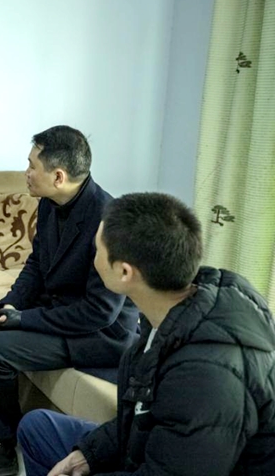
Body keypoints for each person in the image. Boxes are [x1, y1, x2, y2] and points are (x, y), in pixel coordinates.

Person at [17, 193, 275, 475]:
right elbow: (138, 416)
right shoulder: (172, 308)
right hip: (155, 448)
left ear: (124, 272)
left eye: (96, 250)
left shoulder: (205, 379)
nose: (93, 258)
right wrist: (88, 453)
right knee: (37, 427)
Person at [0, 126, 139, 476]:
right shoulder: (50, 204)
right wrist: (11, 304)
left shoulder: (108, 220)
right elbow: (37, 263)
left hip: (96, 335)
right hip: (58, 312)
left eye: (31, 165)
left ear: (58, 176)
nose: (25, 172)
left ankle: (0, 449)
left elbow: (99, 312)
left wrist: (25, 319)